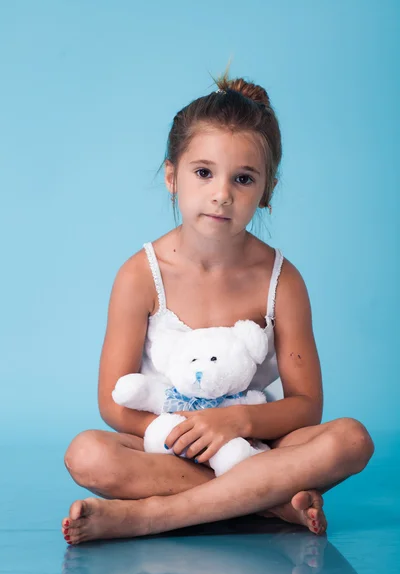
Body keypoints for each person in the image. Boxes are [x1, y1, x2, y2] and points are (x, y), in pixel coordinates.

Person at [61, 71, 374, 545]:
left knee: (352, 439)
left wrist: (235, 423)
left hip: (254, 444)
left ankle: (151, 517)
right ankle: (269, 500)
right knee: (87, 454)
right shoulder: (140, 275)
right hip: (168, 445)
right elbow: (113, 402)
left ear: (265, 191)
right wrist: (185, 432)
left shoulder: (282, 281)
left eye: (243, 179)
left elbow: (308, 405)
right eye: (203, 172)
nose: (222, 193)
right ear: (172, 176)